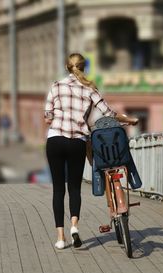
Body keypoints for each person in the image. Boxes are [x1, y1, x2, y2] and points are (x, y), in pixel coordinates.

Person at [44, 53, 137, 250]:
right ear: (83, 67)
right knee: (75, 188)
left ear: (67, 67)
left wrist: (58, 118)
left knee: (59, 189)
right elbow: (109, 113)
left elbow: (47, 116)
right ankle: (74, 227)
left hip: (55, 140)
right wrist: (128, 120)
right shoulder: (89, 88)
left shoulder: (56, 86)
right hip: (77, 142)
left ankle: (60, 238)